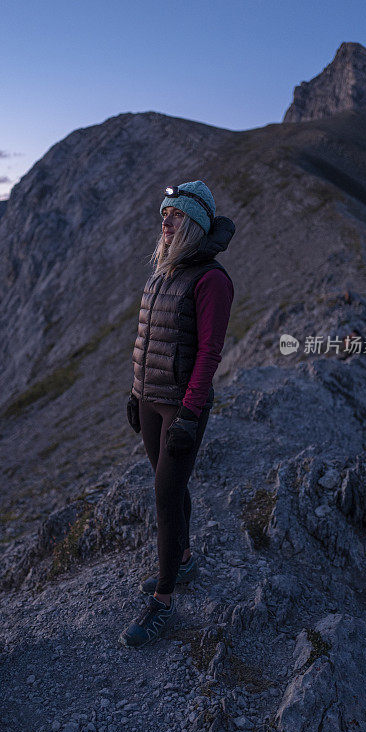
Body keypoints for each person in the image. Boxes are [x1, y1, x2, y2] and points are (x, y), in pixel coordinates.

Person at [119, 180, 235, 648]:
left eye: (175, 216)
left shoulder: (212, 280)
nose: (165, 222)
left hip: (181, 407)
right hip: (150, 399)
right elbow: (147, 338)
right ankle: (183, 558)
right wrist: (135, 392)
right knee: (172, 485)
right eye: (164, 215)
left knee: (166, 496)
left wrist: (189, 414)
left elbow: (209, 353)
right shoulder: (161, 271)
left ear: (195, 224)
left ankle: (163, 600)